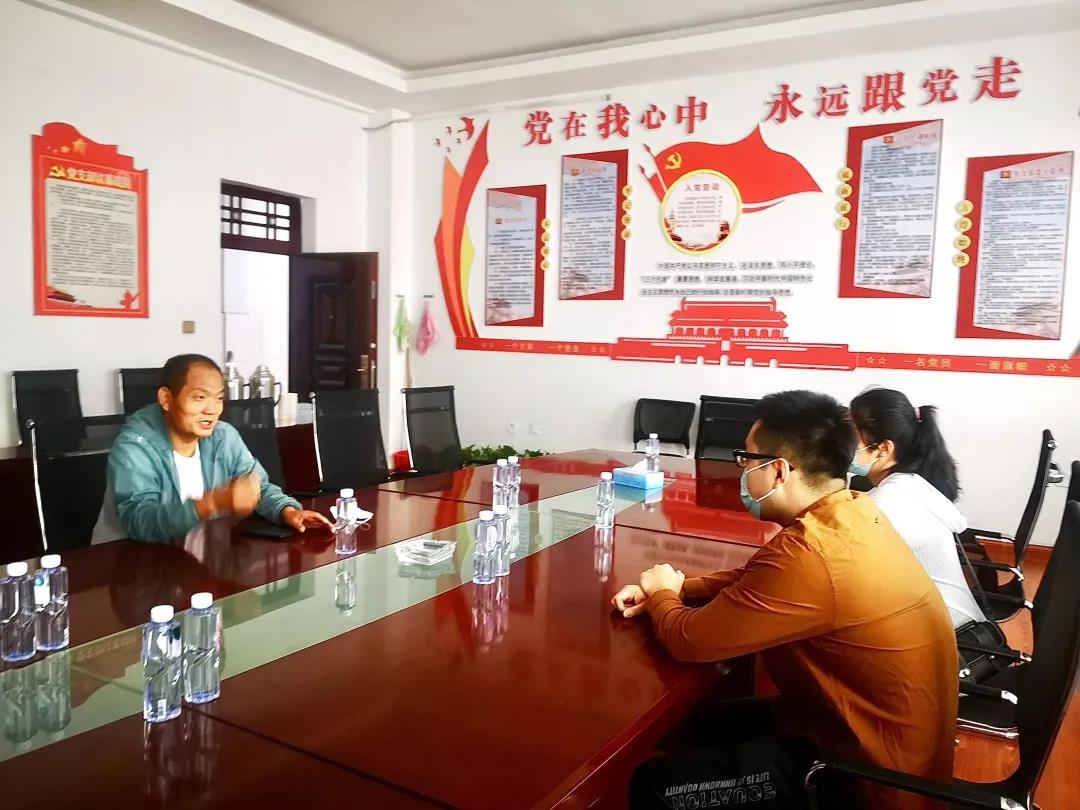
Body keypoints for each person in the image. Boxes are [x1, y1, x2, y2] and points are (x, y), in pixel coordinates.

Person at [613, 390, 957, 810]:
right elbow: (760, 578)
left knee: (656, 784)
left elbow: (688, 640)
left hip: (860, 782)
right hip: (850, 731)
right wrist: (682, 587)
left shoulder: (811, 553)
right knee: (698, 724)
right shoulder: (850, 514)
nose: (741, 471)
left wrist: (662, 592)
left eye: (746, 459)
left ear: (777, 471)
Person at [104, 354, 331, 542]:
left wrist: (287, 511)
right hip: (130, 562)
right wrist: (211, 502)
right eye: (200, 397)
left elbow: (256, 487)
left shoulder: (223, 436)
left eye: (219, 398)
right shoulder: (134, 447)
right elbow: (140, 522)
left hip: (196, 556)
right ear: (166, 399)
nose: (212, 409)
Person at [849, 387, 985, 629]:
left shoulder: (890, 499)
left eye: (850, 438)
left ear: (883, 449)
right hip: (947, 618)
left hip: (946, 632)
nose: (841, 446)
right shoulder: (908, 483)